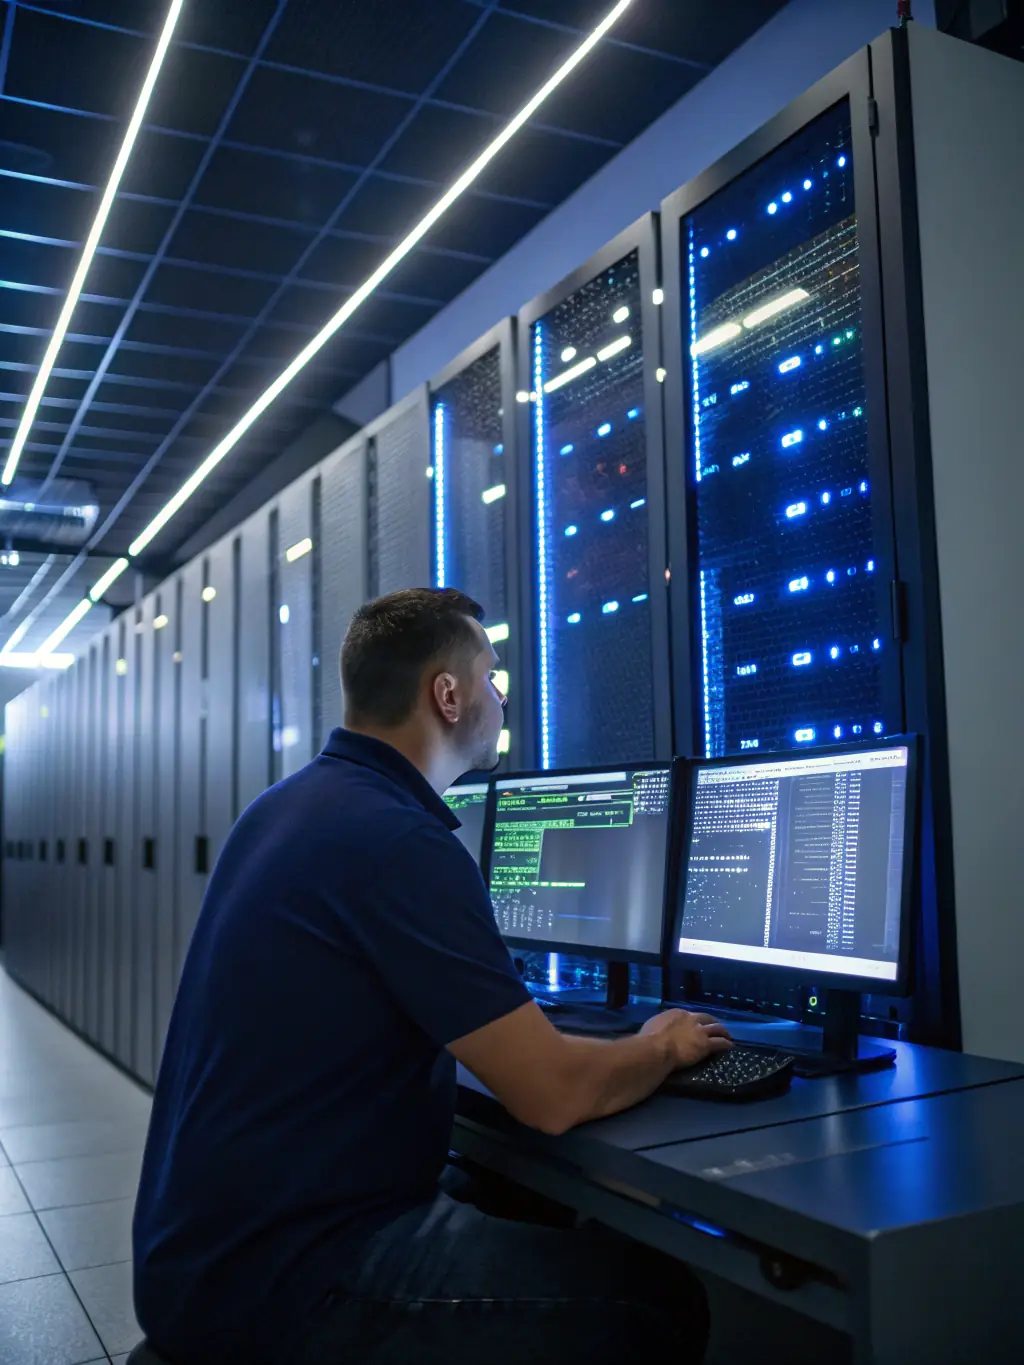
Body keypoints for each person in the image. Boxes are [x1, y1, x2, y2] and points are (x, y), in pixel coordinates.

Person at [133, 587, 731, 1365]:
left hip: (199, 1258)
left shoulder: (285, 807)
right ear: (447, 695)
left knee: (522, 1195)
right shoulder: (398, 837)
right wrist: (663, 1043)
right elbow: (550, 1095)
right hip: (291, 1278)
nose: (502, 696)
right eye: (492, 676)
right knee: (655, 1298)